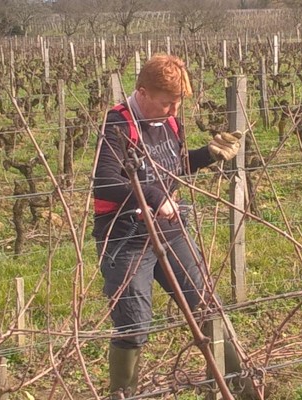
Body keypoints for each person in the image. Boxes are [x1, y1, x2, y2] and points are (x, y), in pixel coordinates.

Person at [92, 54, 250, 398]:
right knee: (133, 323)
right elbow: (103, 183)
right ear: (143, 92)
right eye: (167, 103)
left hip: (171, 230)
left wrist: (207, 154)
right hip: (126, 238)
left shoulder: (172, 123)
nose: (173, 111)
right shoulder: (119, 124)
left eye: (177, 103)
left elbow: (172, 167)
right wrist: (150, 195)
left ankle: (238, 389)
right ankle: (124, 394)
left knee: (207, 306)